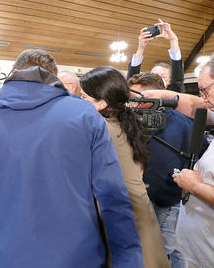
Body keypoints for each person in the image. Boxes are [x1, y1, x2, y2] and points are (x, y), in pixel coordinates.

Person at [0, 49, 143, 267]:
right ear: (53, 77)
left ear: (13, 73)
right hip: (70, 256)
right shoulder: (85, 115)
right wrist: (127, 259)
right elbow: (112, 195)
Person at [80, 67, 170, 268]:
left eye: (83, 96)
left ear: (102, 103)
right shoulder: (127, 121)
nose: (79, 101)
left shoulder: (102, 129)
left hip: (123, 214)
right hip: (139, 210)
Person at [128, 72, 206, 267]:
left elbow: (201, 156)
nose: (136, 103)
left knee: (168, 249)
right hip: (142, 199)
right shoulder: (132, 121)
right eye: (133, 98)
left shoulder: (183, 122)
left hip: (169, 202)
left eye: (142, 97)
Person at [169, 56, 214, 267]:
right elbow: (193, 108)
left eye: (205, 90)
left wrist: (195, 186)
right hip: (196, 248)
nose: (203, 98)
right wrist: (159, 95)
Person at [127, 19, 184, 92]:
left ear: (169, 82)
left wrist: (173, 40)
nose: (158, 79)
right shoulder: (140, 95)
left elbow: (177, 78)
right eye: (155, 75)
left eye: (163, 76)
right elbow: (132, 80)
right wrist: (141, 47)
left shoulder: (172, 97)